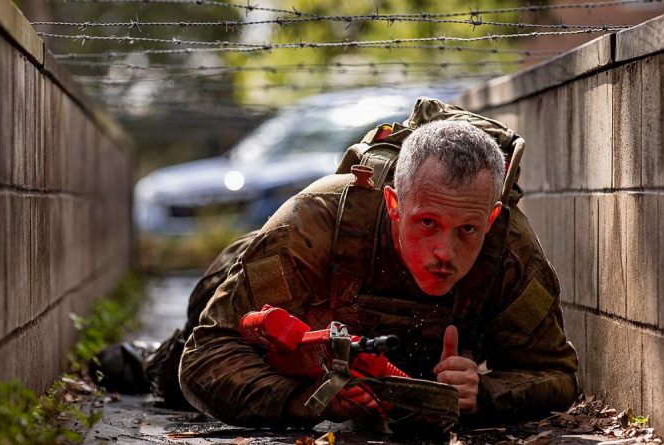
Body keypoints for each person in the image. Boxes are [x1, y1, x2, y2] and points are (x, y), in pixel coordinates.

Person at [147, 98, 578, 428]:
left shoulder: (508, 247)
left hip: (381, 363)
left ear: (492, 218)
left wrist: (482, 393)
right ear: (393, 203)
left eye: (467, 230)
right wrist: (310, 399)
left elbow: (556, 374)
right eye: (427, 223)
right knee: (169, 380)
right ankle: (139, 360)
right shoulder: (315, 219)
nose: (444, 252)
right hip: (274, 325)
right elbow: (206, 357)